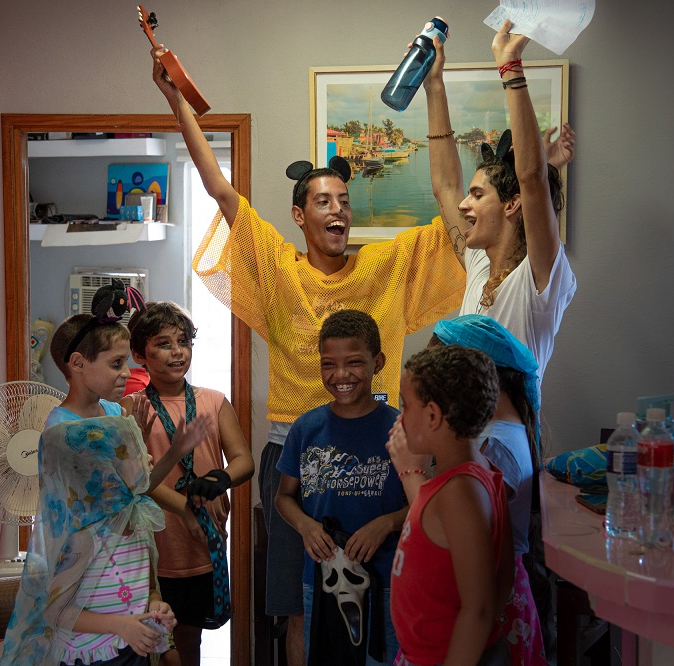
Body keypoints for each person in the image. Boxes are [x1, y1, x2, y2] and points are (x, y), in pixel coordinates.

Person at [150, 45, 467, 665]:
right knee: (299, 603)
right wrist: (174, 99)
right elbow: (219, 188)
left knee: (387, 592)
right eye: (323, 202)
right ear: (299, 216)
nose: (338, 210)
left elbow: (452, 220)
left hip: (381, 448)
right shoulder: (277, 268)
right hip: (293, 453)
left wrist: (435, 92)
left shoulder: (387, 265)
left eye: (344, 201)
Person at [2, 282, 196, 666]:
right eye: (116, 363)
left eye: (127, 361)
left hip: (129, 559)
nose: (128, 373)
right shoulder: (63, 432)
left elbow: (138, 486)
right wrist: (162, 446)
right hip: (88, 570)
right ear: (77, 365)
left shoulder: (113, 413)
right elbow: (131, 489)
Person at [423, 20, 576, 389]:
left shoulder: (539, 280)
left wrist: (510, 66)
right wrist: (434, 86)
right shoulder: (479, 263)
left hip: (507, 444)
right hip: (461, 443)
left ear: (511, 206)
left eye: (477, 195)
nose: (462, 204)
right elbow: (445, 186)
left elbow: (532, 180)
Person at [120, 301, 254, 666]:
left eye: (183, 342)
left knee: (189, 635)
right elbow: (134, 482)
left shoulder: (213, 401)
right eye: (164, 344)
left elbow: (244, 460)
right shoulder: (131, 408)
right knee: (155, 640)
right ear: (139, 354)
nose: (177, 352)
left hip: (204, 542)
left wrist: (221, 478)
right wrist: (184, 509)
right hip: (157, 544)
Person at [274, 309, 407, 665]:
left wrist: (387, 523)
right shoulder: (306, 428)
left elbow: (426, 503)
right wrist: (305, 526)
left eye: (354, 362)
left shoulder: (401, 429)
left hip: (387, 582)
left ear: (377, 363)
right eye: (328, 364)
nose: (341, 375)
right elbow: (284, 497)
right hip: (321, 581)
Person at [428, 314, 547, 664]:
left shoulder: (494, 446)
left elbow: (454, 520)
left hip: (493, 602)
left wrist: (412, 467)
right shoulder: (496, 435)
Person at [389, 345, 514, 666]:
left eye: (406, 406)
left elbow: (480, 608)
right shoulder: (475, 474)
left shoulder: (461, 493)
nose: (401, 417)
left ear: (432, 415)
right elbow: (501, 576)